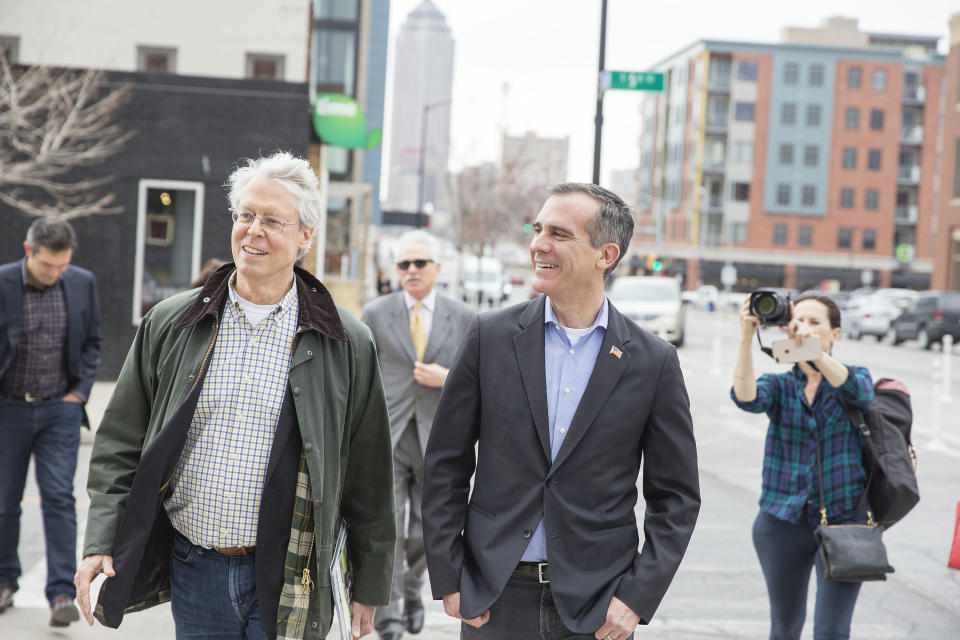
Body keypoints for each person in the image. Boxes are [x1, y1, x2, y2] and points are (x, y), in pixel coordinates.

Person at [75, 151, 396, 640]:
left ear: (305, 236)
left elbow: (370, 476)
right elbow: (119, 441)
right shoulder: (173, 322)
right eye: (246, 215)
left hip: (293, 570)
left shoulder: (345, 341)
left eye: (272, 220)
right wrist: (101, 538)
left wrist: (368, 582)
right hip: (195, 568)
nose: (253, 230)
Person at [422, 183, 701, 639]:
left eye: (559, 233)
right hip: (495, 596)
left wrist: (635, 599)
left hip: (598, 605)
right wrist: (450, 575)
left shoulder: (654, 362)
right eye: (537, 229)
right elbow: (444, 465)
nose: (538, 244)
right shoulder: (488, 337)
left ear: (605, 254)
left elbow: (677, 499)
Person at [731, 294, 875, 639]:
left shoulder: (852, 379)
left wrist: (813, 353)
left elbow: (860, 393)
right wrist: (747, 337)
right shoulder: (780, 385)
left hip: (844, 523)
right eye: (801, 321)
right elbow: (746, 397)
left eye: (816, 323)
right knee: (784, 628)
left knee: (831, 631)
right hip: (781, 522)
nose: (806, 329)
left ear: (835, 333)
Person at [361, 230, 475, 640]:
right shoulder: (375, 313)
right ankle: (389, 620)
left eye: (419, 263)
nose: (411, 271)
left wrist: (447, 378)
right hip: (386, 438)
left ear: (437, 269)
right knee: (388, 530)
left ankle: (412, 590)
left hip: (439, 440)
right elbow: (361, 373)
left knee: (425, 532)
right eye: (404, 264)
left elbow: (479, 380)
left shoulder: (464, 317)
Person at [0, 217, 101, 627]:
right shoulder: (4, 282)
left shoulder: (81, 282)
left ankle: (61, 592)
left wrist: (78, 394)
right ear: (29, 251)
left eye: (62, 266)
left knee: (59, 497)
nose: (56, 273)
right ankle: (5, 580)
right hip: (9, 407)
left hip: (61, 407)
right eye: (47, 266)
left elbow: (93, 341)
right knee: (5, 501)